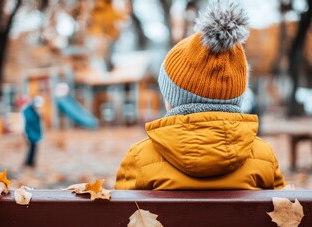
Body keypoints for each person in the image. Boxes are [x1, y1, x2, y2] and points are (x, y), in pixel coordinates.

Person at [115, 1, 285, 191]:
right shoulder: (264, 157)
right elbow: (282, 214)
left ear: (172, 98)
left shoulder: (140, 158)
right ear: (237, 97)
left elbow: (121, 218)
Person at [22, 96, 43, 167]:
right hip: (30, 133)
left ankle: (30, 162)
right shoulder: (28, 111)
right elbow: (29, 122)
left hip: (34, 133)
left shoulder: (34, 111)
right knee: (31, 148)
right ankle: (29, 162)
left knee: (33, 148)